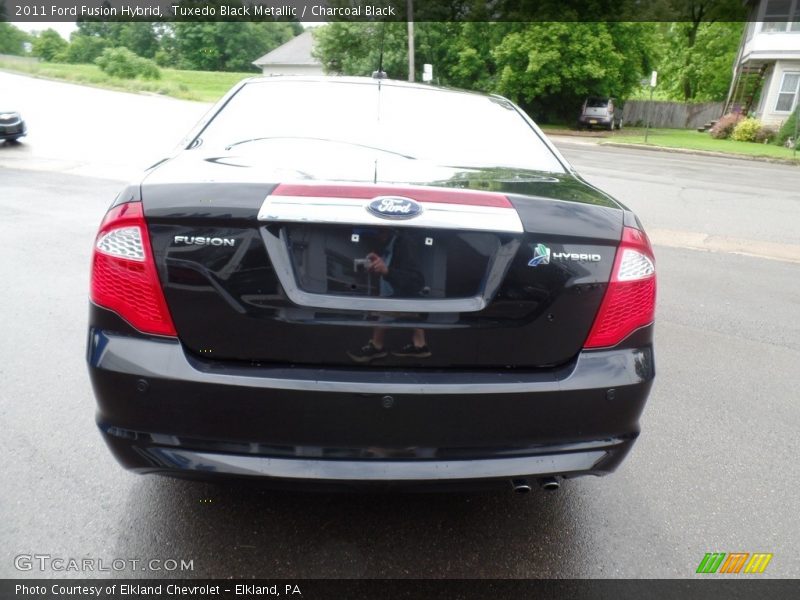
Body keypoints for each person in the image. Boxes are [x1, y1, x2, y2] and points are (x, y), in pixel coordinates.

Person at [347, 230, 431, 363]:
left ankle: (377, 346)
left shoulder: (404, 244)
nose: (374, 233)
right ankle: (418, 345)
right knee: (385, 307)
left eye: (377, 230)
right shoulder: (386, 248)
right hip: (398, 302)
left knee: (384, 308)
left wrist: (387, 271)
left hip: (402, 302)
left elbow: (416, 281)